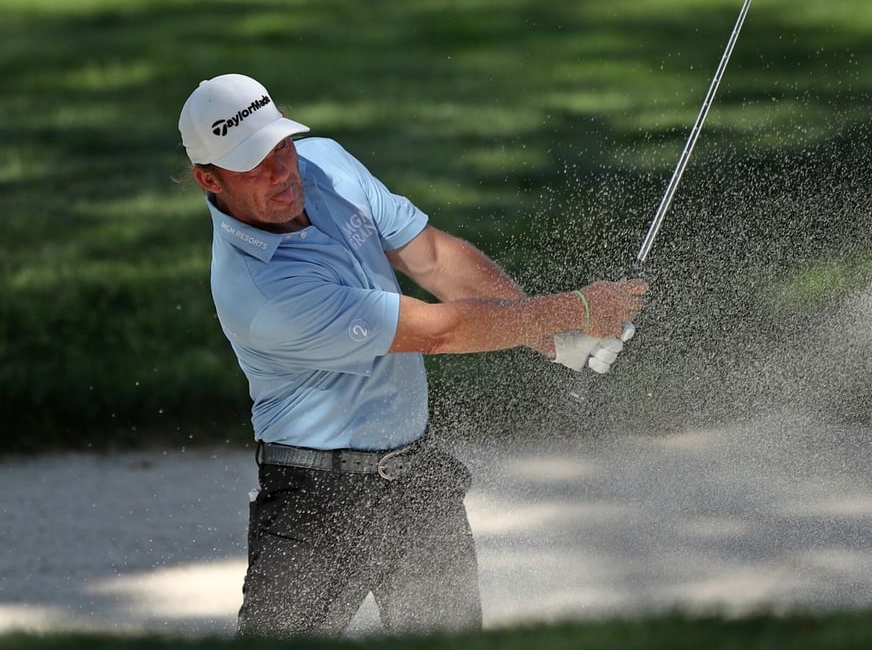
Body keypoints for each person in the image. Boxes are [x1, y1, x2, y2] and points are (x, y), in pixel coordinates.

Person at [178, 73, 647, 636]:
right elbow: (438, 333)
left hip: (418, 479)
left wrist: (549, 337)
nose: (283, 171)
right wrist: (577, 309)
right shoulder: (260, 291)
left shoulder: (323, 164)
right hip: (319, 502)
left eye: (281, 145)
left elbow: (431, 258)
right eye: (256, 163)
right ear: (210, 178)